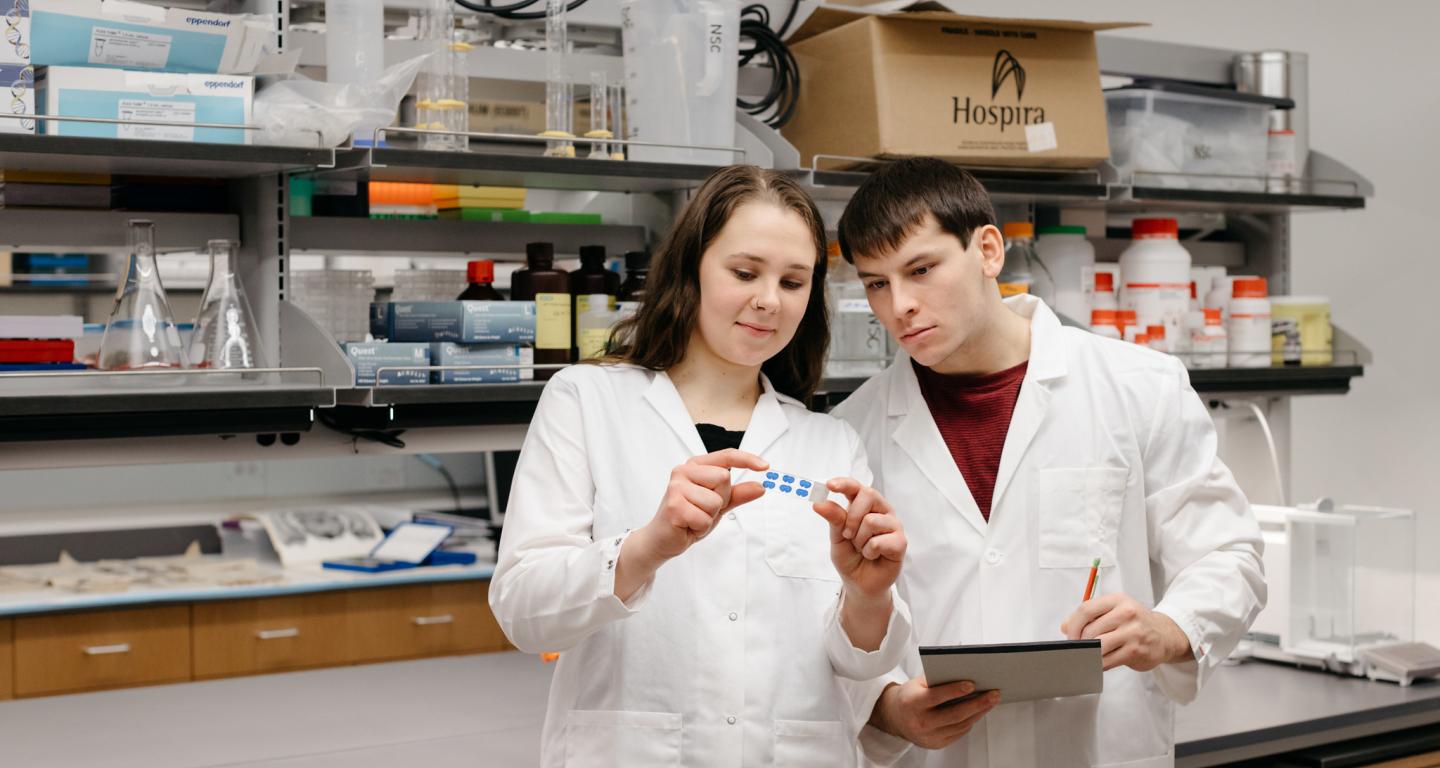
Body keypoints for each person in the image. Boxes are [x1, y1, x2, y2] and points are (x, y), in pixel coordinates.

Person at [829, 157, 1267, 768]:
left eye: (921, 269)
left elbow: (1230, 556)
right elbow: (831, 625)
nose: (899, 304)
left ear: (987, 250)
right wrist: (887, 706)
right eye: (876, 283)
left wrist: (1167, 628)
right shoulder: (851, 431)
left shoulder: (1138, 387)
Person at [490, 165, 913, 767]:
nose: (769, 299)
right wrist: (647, 547)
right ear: (692, 267)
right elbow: (523, 615)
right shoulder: (587, 400)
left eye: (794, 282)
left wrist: (868, 596)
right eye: (744, 273)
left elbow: (858, 665)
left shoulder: (830, 443)